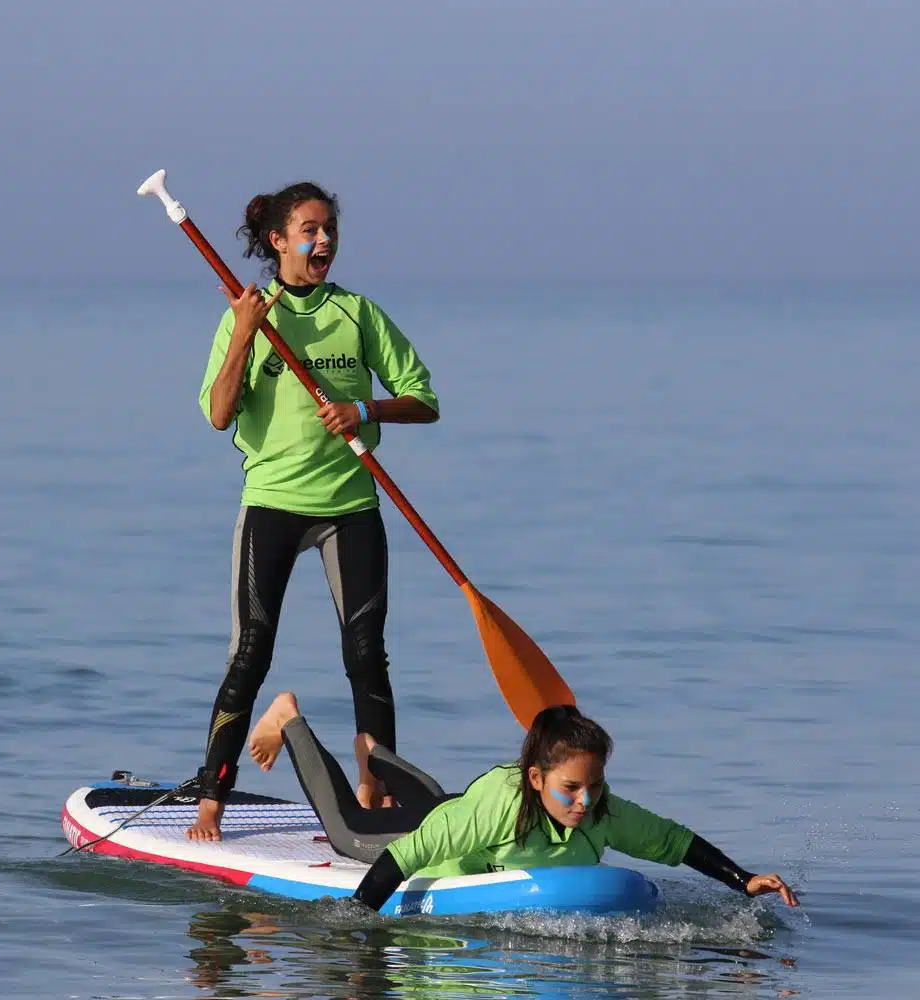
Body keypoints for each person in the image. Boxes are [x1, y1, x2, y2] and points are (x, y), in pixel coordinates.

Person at [189, 182, 439, 842]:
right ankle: (212, 795)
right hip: (272, 501)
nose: (323, 240)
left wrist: (366, 410)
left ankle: (376, 791)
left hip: (350, 504)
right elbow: (218, 415)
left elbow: (423, 397)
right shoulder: (245, 314)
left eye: (329, 228)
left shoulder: (357, 314)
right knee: (250, 654)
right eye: (308, 229)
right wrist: (244, 332)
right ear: (277, 240)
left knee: (367, 654)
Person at [245, 693, 801, 912]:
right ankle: (290, 719)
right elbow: (406, 856)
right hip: (449, 833)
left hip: (463, 812)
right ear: (536, 778)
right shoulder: (498, 809)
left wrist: (742, 878)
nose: (585, 803)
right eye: (571, 790)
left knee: (440, 804)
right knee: (351, 831)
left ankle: (374, 756)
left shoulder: (600, 808)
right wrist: (358, 930)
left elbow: (673, 842)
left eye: (595, 787)